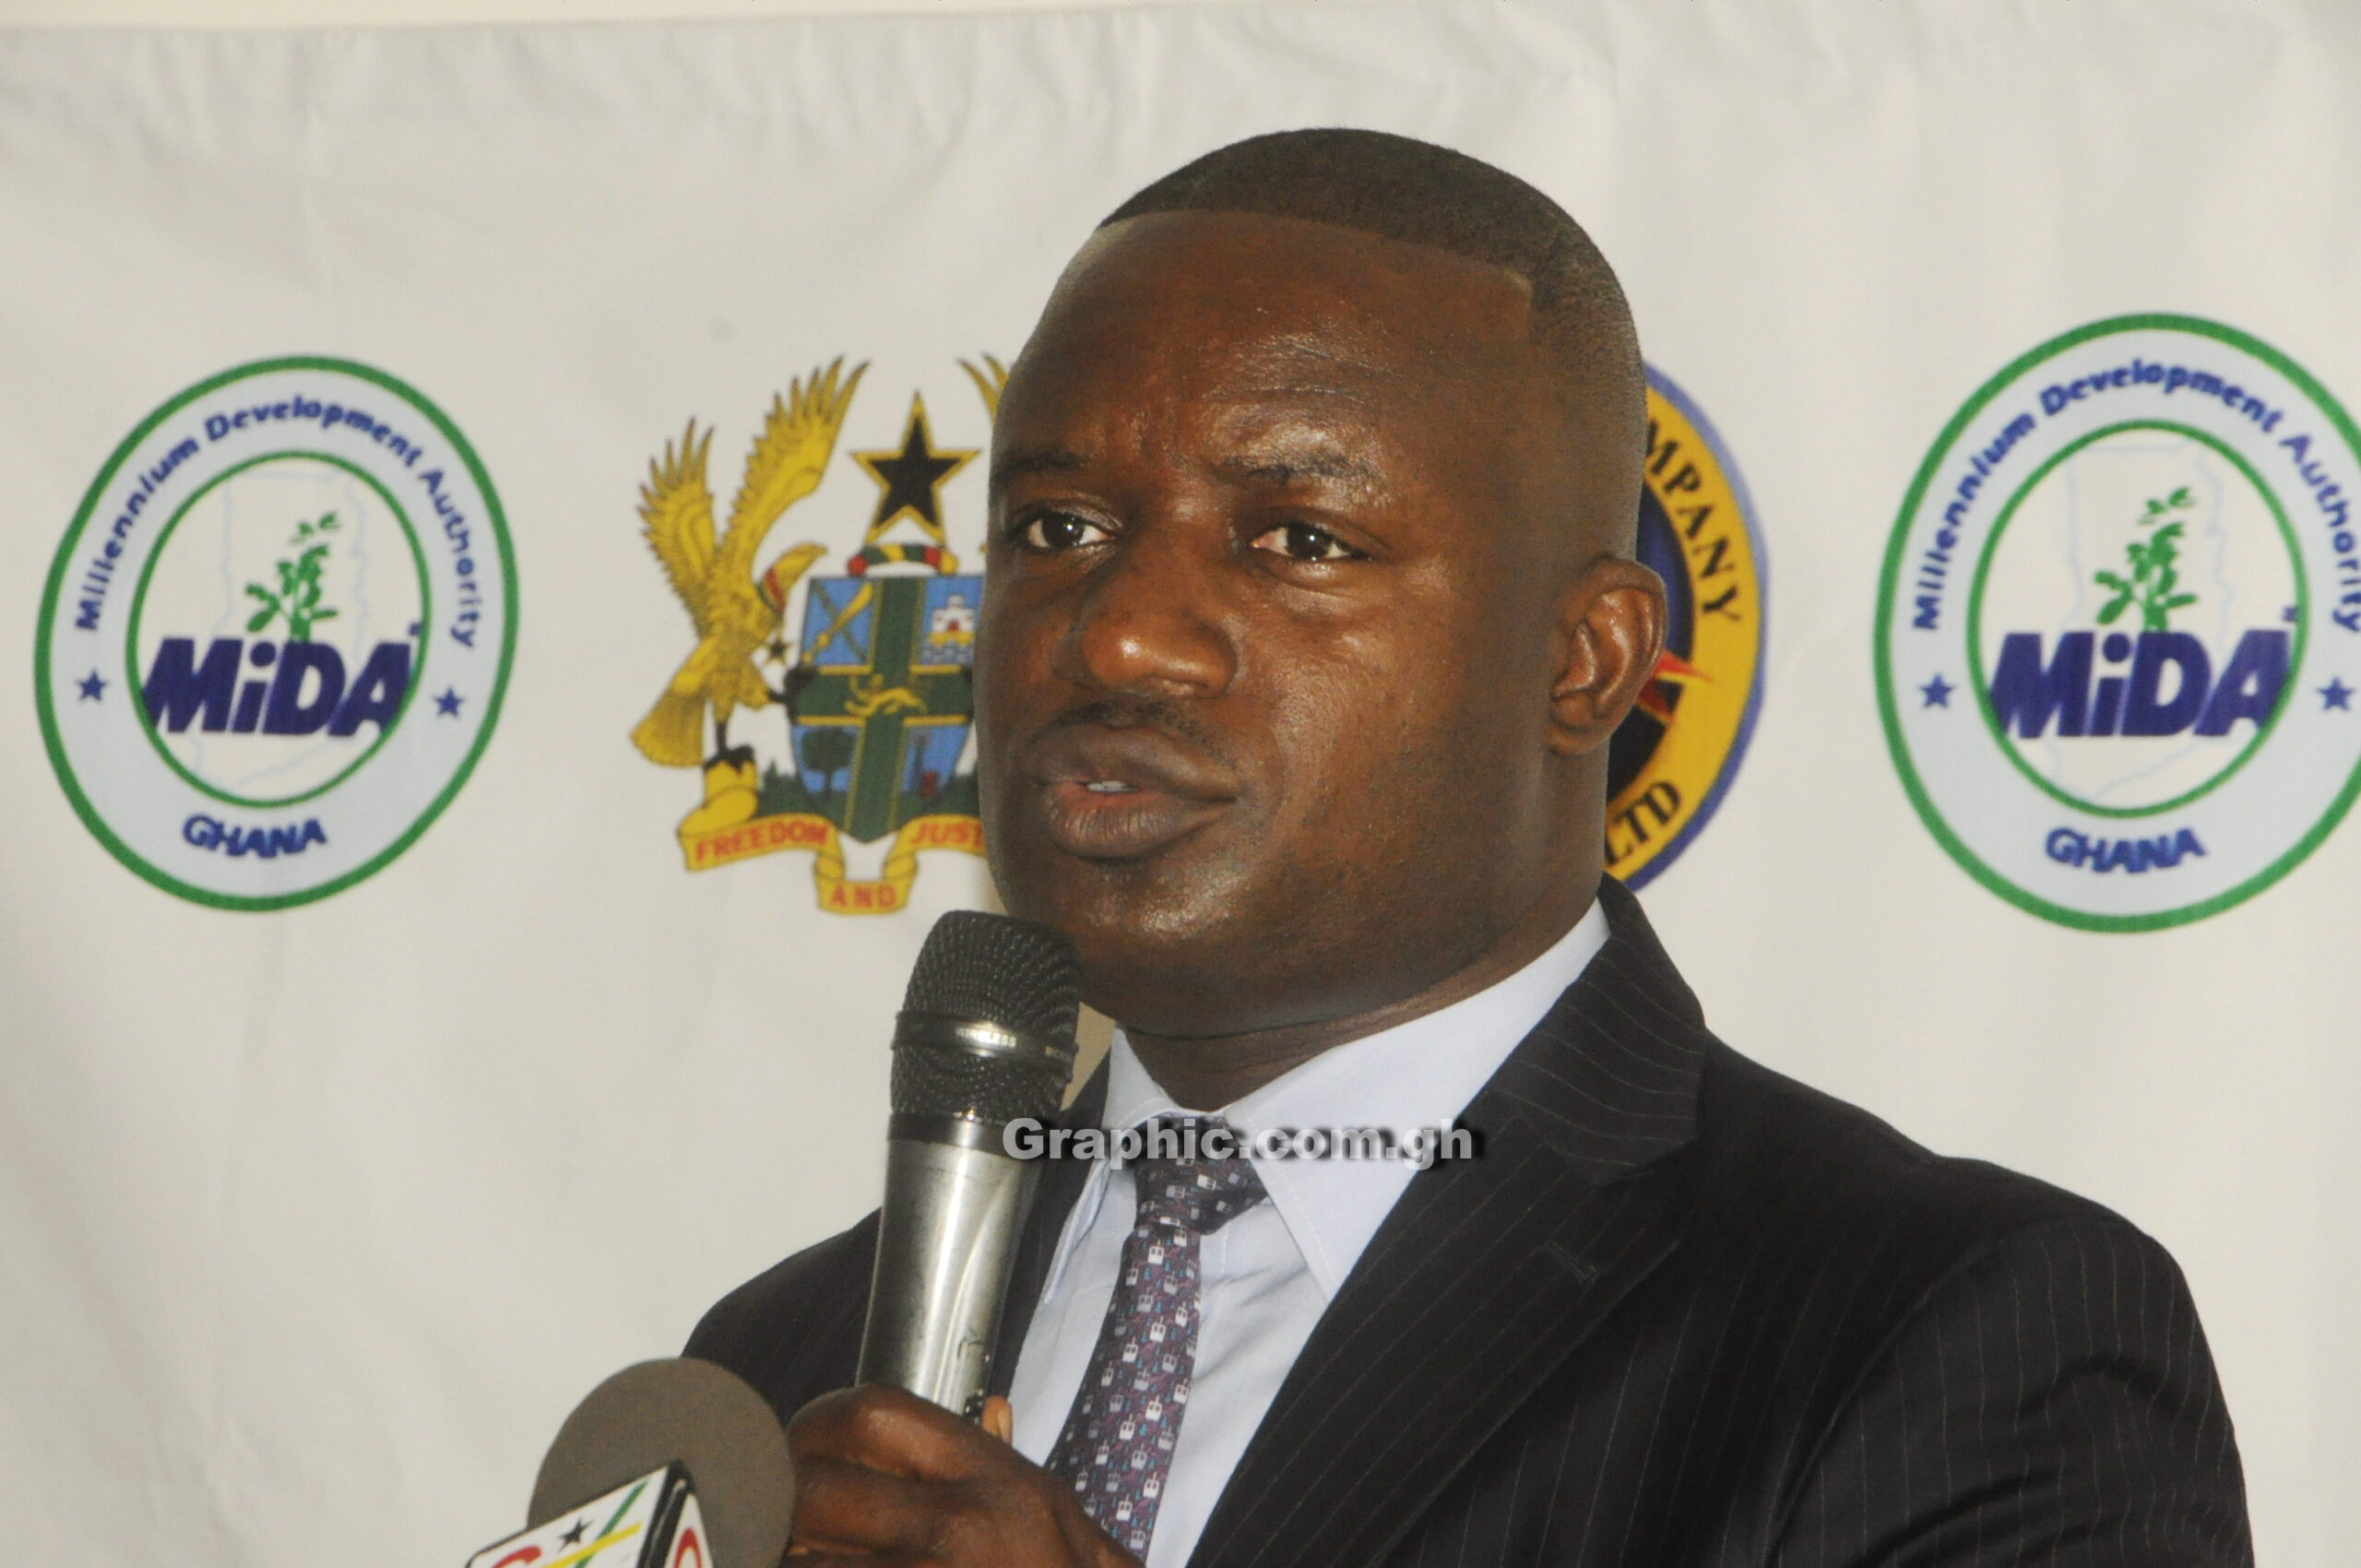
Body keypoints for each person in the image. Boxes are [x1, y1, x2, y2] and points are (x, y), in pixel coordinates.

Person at [687, 129, 2251, 1567]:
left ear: (1585, 660)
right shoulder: (778, 1372)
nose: (1122, 637)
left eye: (1299, 540)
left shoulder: (1949, 1336)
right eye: (1058, 530)